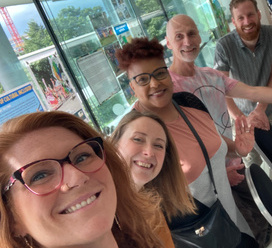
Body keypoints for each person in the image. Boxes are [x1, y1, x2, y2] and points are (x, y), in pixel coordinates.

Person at [165, 13, 272, 247]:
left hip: (231, 165)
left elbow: (254, 92)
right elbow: (177, 149)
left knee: (254, 233)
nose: (187, 41)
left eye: (192, 33)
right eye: (179, 36)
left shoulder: (211, 76)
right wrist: (214, 171)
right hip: (206, 185)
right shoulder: (167, 89)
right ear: (168, 43)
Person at [115, 37, 258, 246]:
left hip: (229, 221)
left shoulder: (189, 103)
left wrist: (237, 149)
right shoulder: (134, 132)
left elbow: (209, 147)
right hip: (194, 236)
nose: (154, 83)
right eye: (143, 79)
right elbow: (131, 195)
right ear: (132, 87)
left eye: (159, 73)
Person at [0, 111, 167, 248]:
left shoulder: (151, 235)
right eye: (40, 175)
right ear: (11, 218)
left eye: (82, 157)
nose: (78, 177)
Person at [110, 111, 196, 222]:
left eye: (158, 145)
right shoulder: (102, 210)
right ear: (114, 145)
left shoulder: (155, 211)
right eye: (138, 139)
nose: (149, 152)